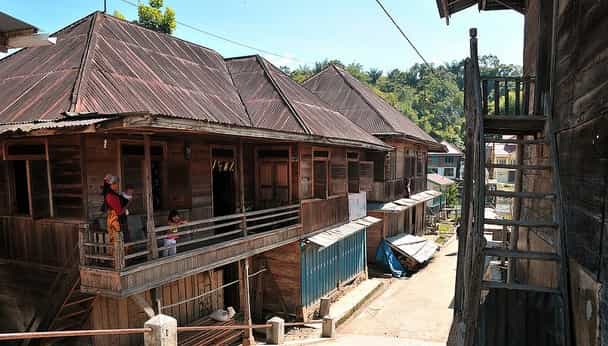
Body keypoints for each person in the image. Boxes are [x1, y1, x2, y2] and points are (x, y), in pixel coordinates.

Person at [102, 174, 124, 258]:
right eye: (116, 183)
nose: (118, 185)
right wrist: (125, 210)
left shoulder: (109, 194)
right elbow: (118, 211)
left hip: (111, 218)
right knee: (117, 240)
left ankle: (116, 260)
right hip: (115, 219)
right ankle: (118, 261)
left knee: (114, 239)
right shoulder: (111, 196)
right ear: (112, 184)